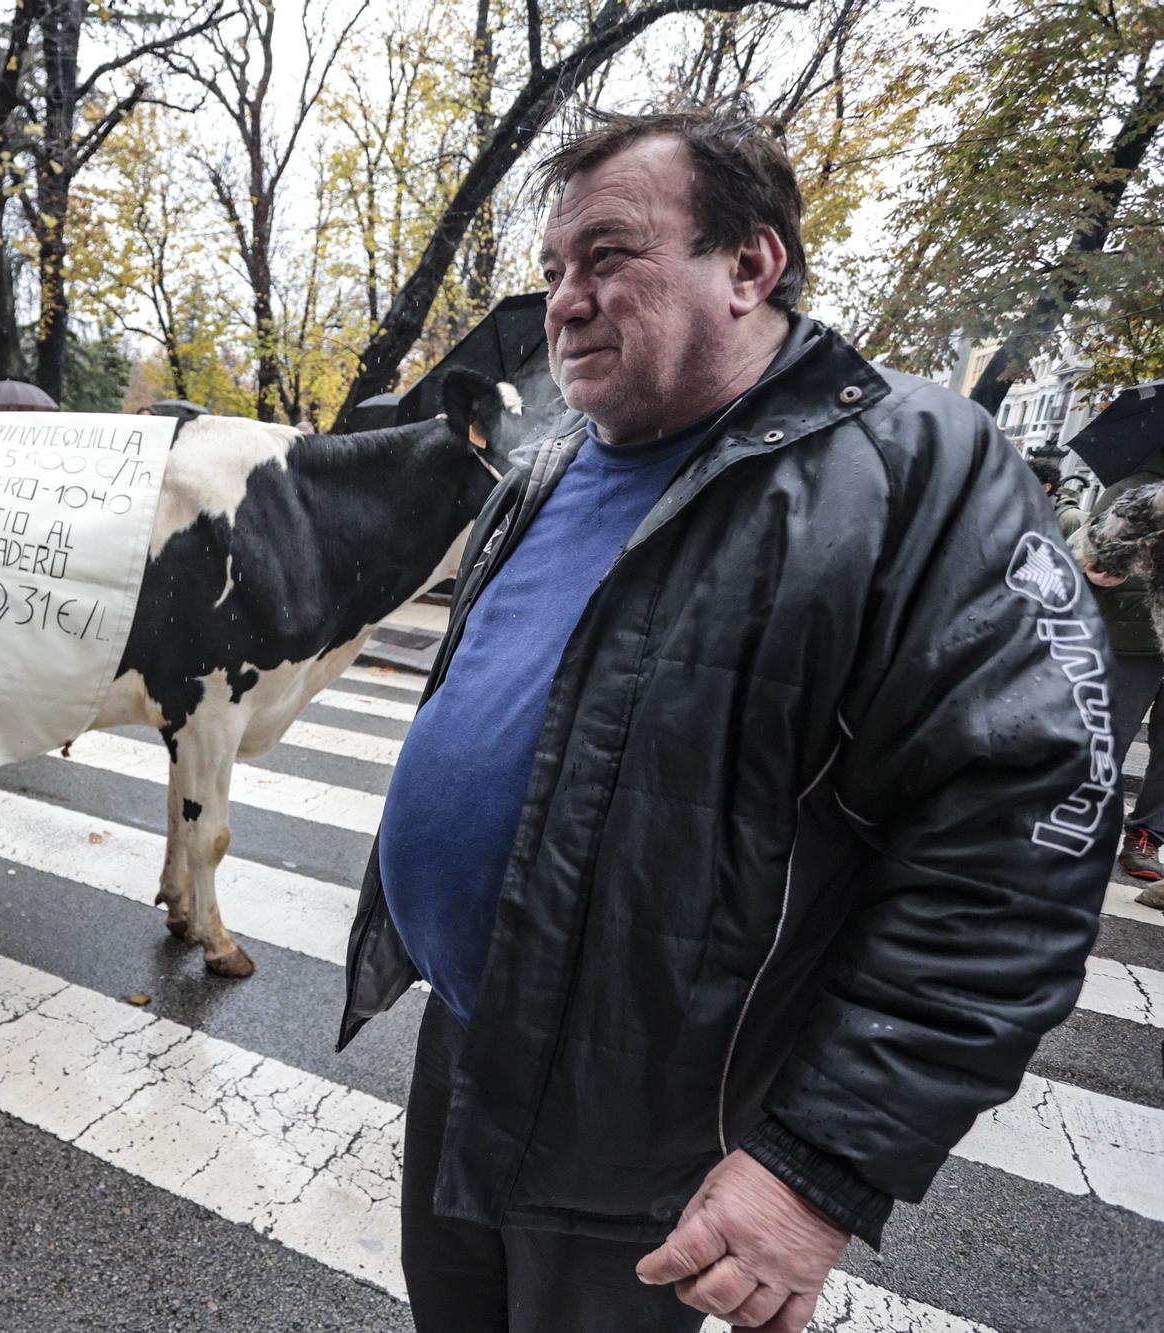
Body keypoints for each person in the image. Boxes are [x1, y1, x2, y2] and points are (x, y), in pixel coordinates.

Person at [342, 105, 1112, 1333]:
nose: (563, 301)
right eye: (551, 271)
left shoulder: (917, 471)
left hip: (653, 1117)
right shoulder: (545, 463)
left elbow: (1017, 851)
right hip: (470, 1038)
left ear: (749, 264)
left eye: (606, 256)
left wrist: (813, 1164)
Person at [1069, 447, 1164, 903]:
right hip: (1132, 641)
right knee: (1106, 738)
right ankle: (1076, 829)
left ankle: (1145, 838)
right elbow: (1088, 558)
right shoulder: (1136, 491)